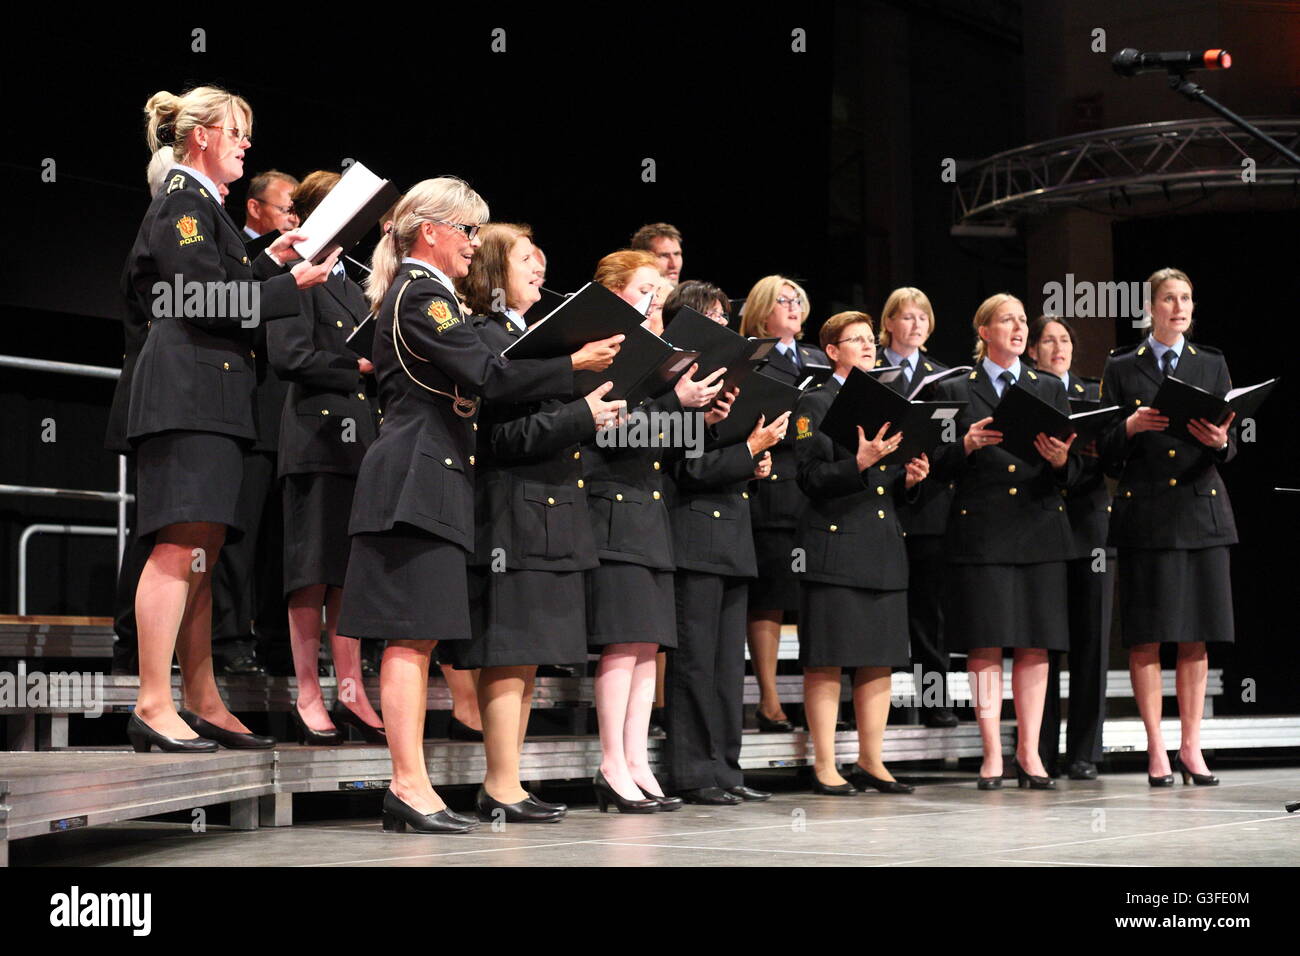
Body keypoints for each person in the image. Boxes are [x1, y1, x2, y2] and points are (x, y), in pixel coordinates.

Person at [335, 178, 621, 833]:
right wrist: (573, 362)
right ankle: (407, 786)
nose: (472, 244)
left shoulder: (424, 294)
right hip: (412, 478)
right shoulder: (421, 294)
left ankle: (414, 786)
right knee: (408, 638)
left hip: (431, 480)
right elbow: (487, 377)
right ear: (431, 230)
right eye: (466, 230)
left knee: (419, 634)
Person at [124, 85, 337, 753]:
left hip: (212, 396)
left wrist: (266, 260)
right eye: (237, 131)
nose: (246, 143)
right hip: (186, 394)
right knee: (177, 546)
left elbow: (217, 278)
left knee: (202, 553)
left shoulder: (203, 208)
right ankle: (154, 700)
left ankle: (201, 696)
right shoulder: (183, 203)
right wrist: (285, 286)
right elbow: (193, 295)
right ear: (202, 138)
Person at [453, 223, 625, 822]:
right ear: (496, 268)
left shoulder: (533, 337)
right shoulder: (486, 336)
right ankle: (499, 784)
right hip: (510, 516)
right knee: (508, 652)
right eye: (528, 259)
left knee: (527, 657)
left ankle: (510, 781)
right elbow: (500, 436)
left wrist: (591, 411)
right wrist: (581, 414)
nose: (540, 269)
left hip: (550, 511)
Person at [584, 249, 725, 812]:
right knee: (622, 642)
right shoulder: (603, 350)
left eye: (659, 296)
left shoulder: (658, 353)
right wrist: (677, 401)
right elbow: (607, 433)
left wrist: (699, 416)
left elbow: (661, 442)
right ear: (615, 292)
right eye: (645, 291)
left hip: (649, 507)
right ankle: (611, 763)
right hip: (612, 507)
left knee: (647, 646)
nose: (655, 304)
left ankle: (637, 759)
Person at [928, 294, 1080, 789]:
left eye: (1021, 321)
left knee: (1036, 643)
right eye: (1006, 321)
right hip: (982, 528)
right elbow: (932, 466)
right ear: (983, 330)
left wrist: (1061, 461)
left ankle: (1030, 753)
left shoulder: (1049, 387)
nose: (1018, 328)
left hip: (1038, 526)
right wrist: (964, 446)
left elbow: (1073, 468)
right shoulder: (955, 387)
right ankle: (992, 753)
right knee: (985, 640)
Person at [1099, 268, 1236, 787]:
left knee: (1197, 637)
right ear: (1151, 308)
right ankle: (1156, 748)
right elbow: (1106, 453)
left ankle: (1191, 747)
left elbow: (1232, 438)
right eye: (1169, 299)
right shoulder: (1122, 367)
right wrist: (1130, 427)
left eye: (1186, 299)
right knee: (1147, 636)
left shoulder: (1212, 363)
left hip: (1201, 509)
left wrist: (1223, 442)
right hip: (1147, 514)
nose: (1179, 307)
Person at [267, 170, 384, 744]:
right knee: (311, 573)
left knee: (348, 576)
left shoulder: (355, 278)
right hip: (315, 436)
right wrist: (356, 366)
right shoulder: (297, 272)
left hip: (360, 439)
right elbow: (288, 356)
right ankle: (308, 692)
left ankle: (350, 688)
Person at [661, 281, 789, 804]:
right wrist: (748, 449)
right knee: (694, 660)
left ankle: (726, 769)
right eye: (712, 316)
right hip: (693, 533)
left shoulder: (726, 381)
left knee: (724, 666)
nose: (722, 324)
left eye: (723, 315)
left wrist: (755, 461)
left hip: (733, 534)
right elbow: (688, 469)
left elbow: (722, 459)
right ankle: (693, 772)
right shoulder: (676, 383)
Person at [795, 311, 929, 795]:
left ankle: (872, 760)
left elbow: (884, 482)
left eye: (871, 339)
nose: (869, 346)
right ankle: (826, 763)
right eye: (857, 340)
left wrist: (909, 480)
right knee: (828, 658)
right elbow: (809, 479)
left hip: (881, 542)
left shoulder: (887, 402)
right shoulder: (813, 401)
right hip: (834, 543)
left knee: (879, 658)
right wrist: (858, 462)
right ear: (831, 350)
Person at [208, 169, 304, 676]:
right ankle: (228, 641)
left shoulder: (299, 256)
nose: (293, 218)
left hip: (288, 416)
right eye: (287, 208)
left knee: (280, 543)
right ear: (255, 208)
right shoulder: (240, 254)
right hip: (245, 408)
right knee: (237, 538)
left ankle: (274, 644)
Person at [738, 275, 828, 732]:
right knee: (770, 599)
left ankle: (824, 704)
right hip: (774, 485)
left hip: (815, 489)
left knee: (811, 594)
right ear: (761, 309)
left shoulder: (817, 359)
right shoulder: (752, 356)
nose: (794, 306)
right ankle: (769, 698)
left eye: (798, 299)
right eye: (783, 301)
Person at [1028, 315, 1111, 780]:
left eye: (1065, 340)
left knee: (1091, 641)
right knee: (1043, 645)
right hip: (1038, 527)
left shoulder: (1094, 394)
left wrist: (1067, 465)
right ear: (1032, 351)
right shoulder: (1026, 393)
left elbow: (1109, 457)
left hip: (1088, 527)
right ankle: (1039, 752)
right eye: (1048, 340)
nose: (1058, 347)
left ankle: (1085, 750)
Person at [875, 287, 960, 728]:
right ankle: (873, 706)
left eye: (922, 317)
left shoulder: (942, 377)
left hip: (927, 504)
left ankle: (934, 700)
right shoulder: (869, 371)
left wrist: (929, 457)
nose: (915, 324)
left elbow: (948, 445)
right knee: (879, 609)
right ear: (888, 322)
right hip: (875, 500)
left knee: (930, 612)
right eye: (906, 317)